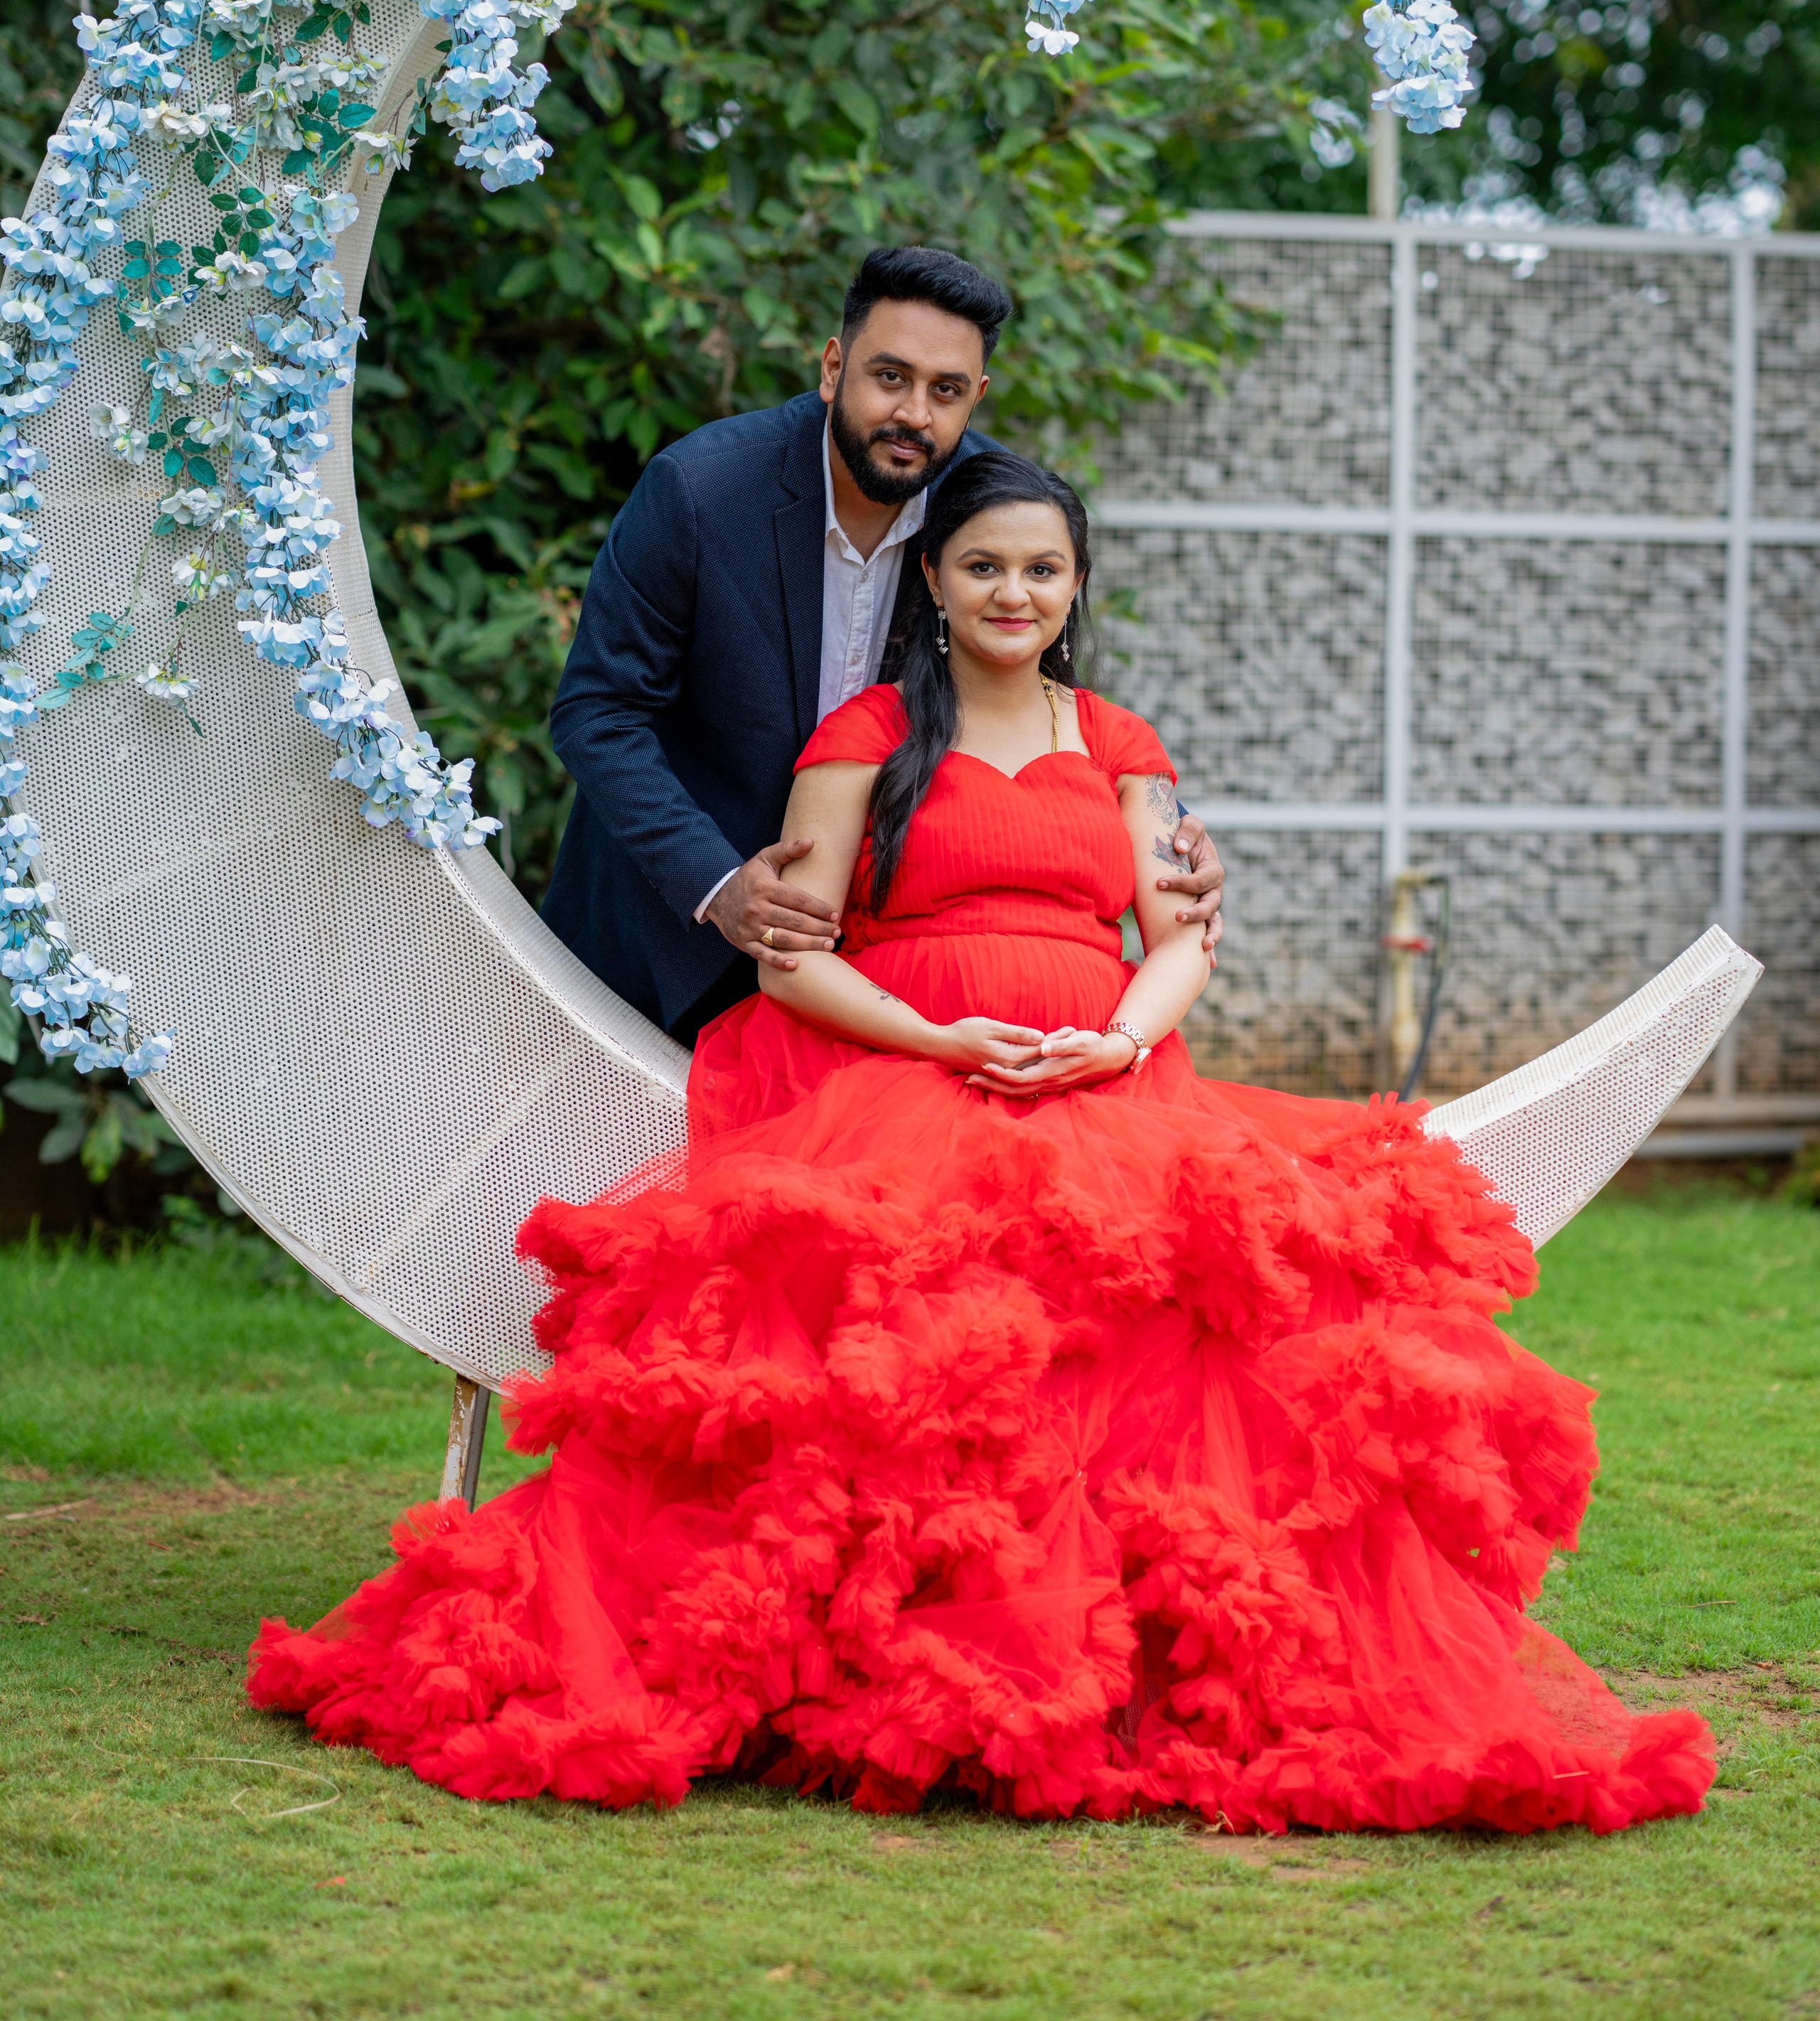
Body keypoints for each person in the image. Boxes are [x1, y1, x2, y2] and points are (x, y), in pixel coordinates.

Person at [251, 452, 1713, 1835]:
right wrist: (937, 1040)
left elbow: (1180, 938)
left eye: (1042, 569)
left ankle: (1130, 1659)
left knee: (1191, 1340)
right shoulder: (868, 736)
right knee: (909, 1345)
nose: (1015, 592)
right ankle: (901, 1649)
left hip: (1101, 1083)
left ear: (1073, 587)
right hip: (903, 1068)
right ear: (936, 584)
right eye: (984, 567)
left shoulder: (1119, 743)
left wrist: (1121, 1039)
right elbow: (790, 957)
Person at [538, 241, 1223, 1041]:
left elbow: (1030, 699)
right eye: (890, 377)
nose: (914, 415)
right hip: (663, 939)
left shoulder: (986, 517)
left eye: (946, 391)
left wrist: (1166, 835)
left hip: (870, 984)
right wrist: (716, 884)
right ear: (833, 368)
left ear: (976, 398)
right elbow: (598, 712)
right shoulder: (701, 490)